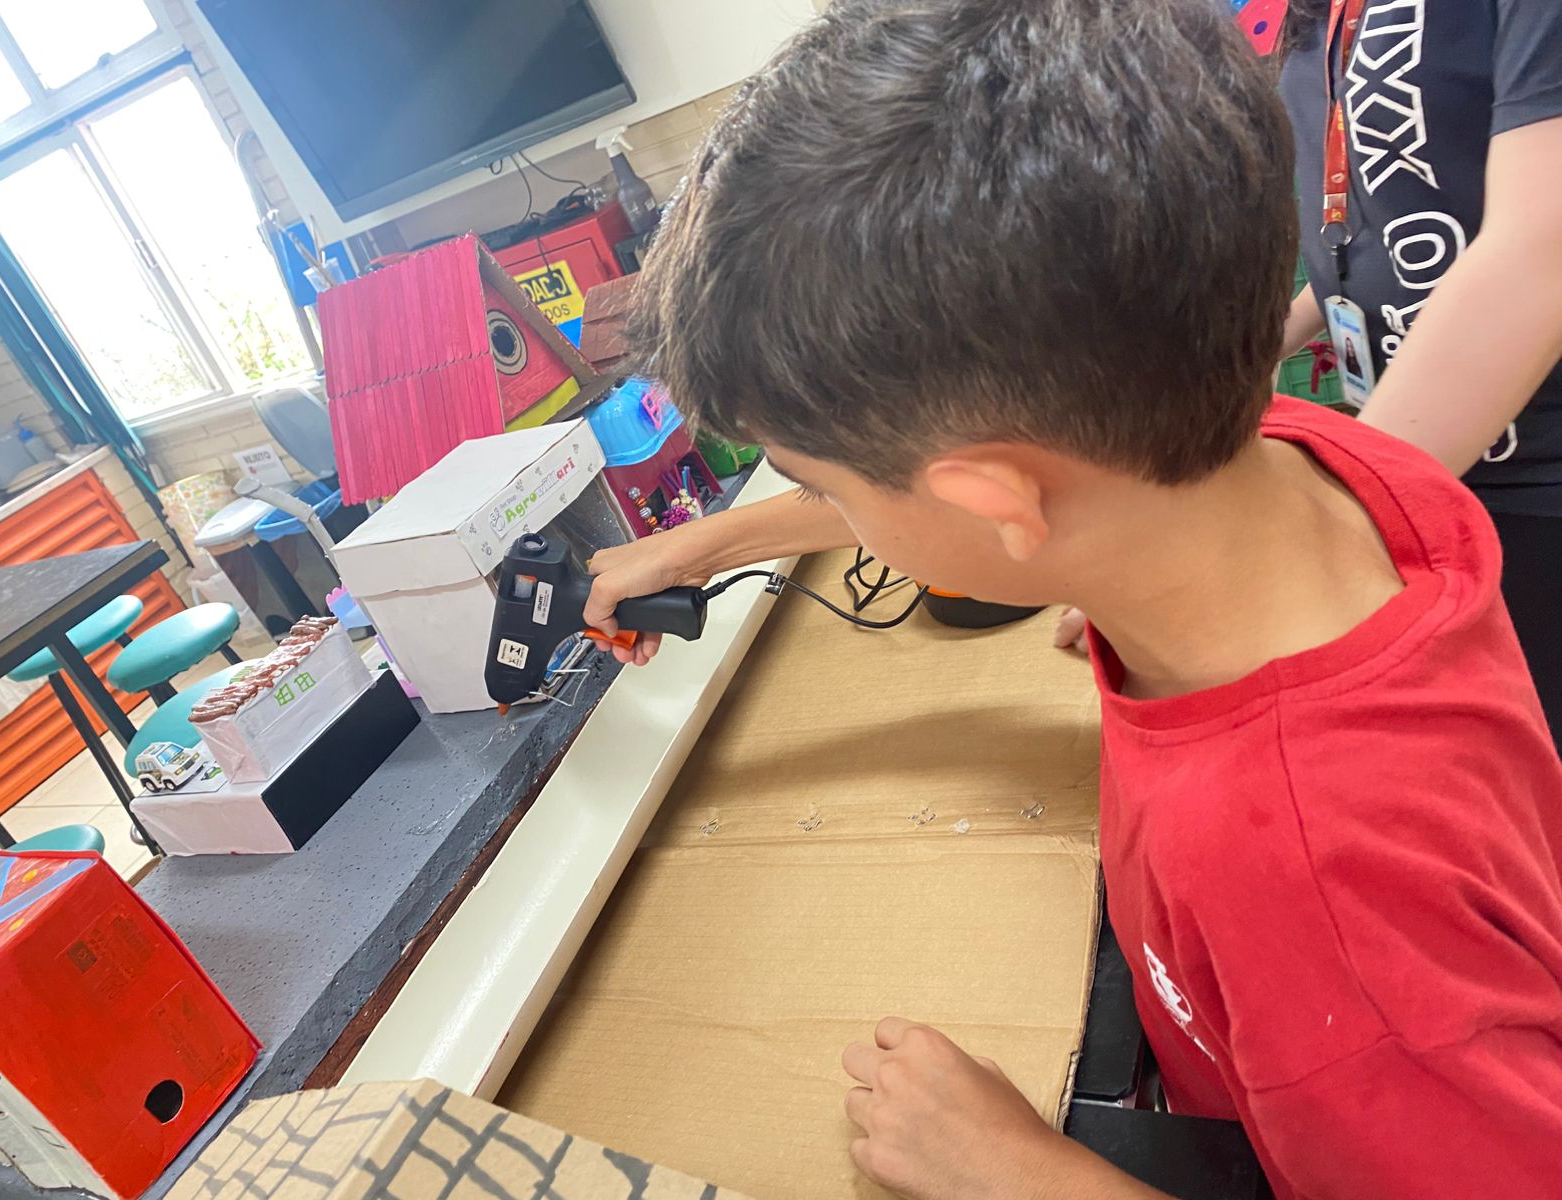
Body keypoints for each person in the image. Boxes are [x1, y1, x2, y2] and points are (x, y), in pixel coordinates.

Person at [585, 1, 1562, 1197]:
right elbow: (1026, 473)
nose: (834, 506)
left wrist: (1015, 1170)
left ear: (998, 502)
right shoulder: (1304, 460)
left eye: (826, 484)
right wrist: (718, 539)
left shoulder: (1313, 895)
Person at [1279, 0, 1562, 737]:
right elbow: (1386, 218)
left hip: (1534, 481)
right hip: (1420, 477)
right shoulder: (1320, 15)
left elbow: (1543, 248)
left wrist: (1324, 522)